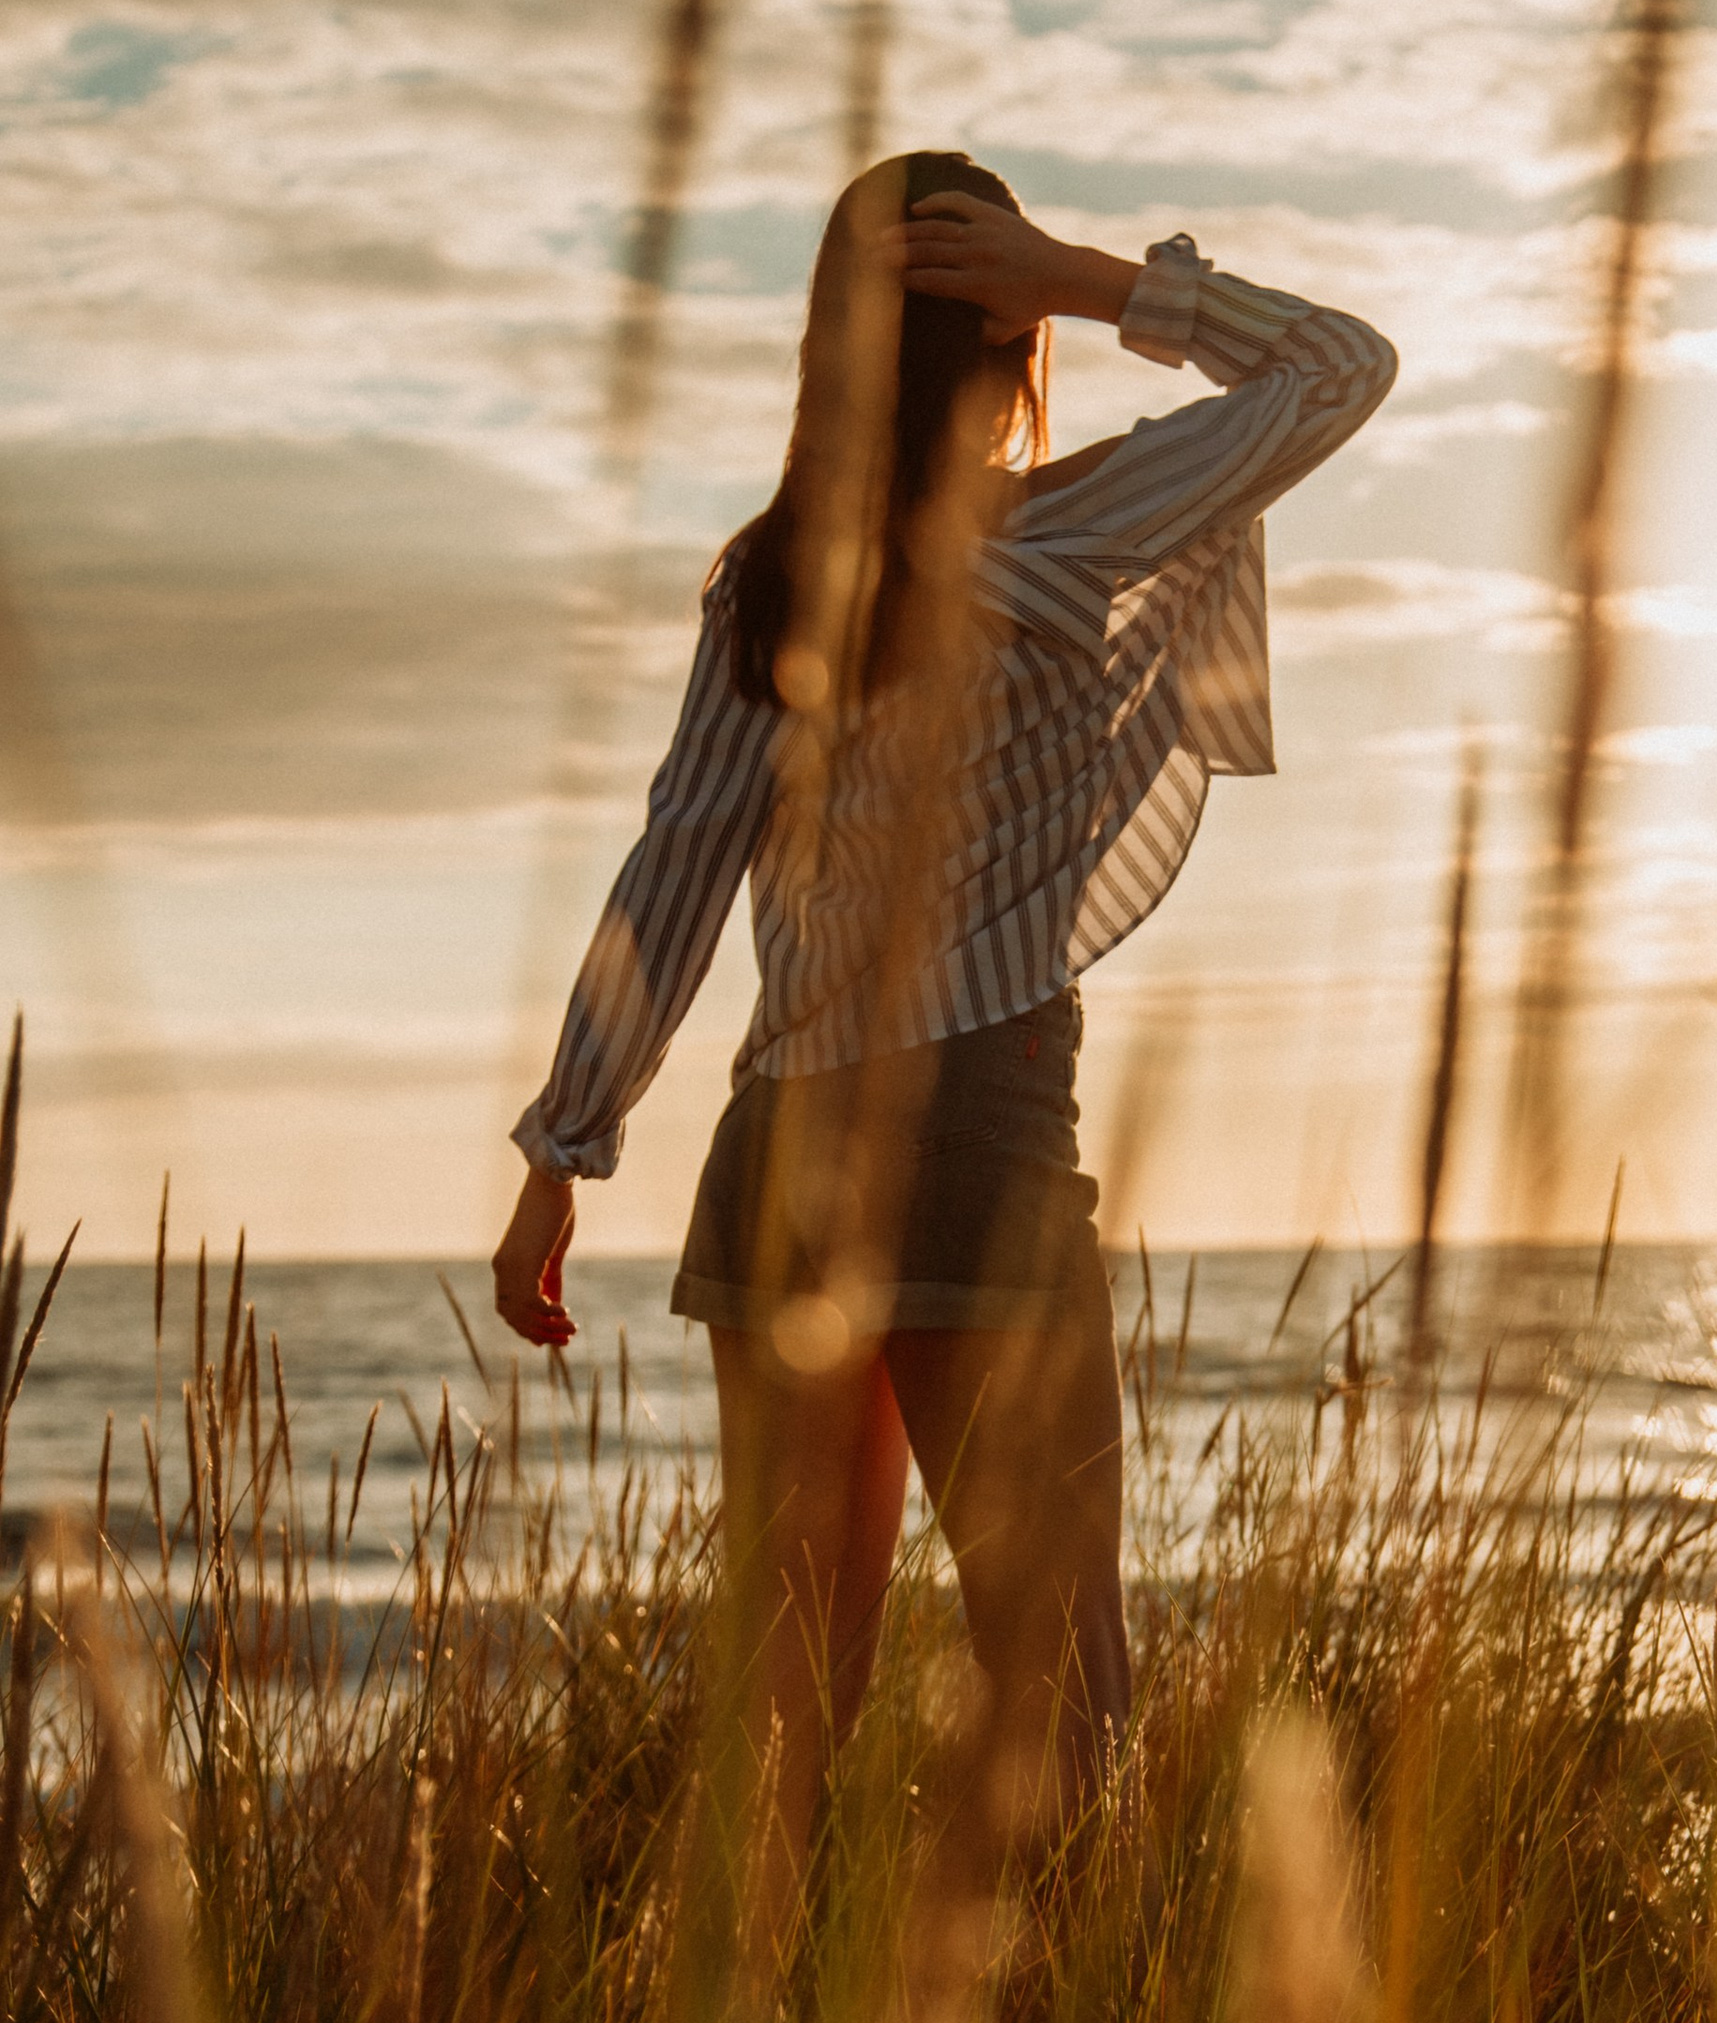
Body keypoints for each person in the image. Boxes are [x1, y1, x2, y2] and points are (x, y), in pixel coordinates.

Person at [491, 150, 1395, 1923]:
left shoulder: (772, 580)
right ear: (1007, 338)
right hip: (978, 1137)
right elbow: (1339, 368)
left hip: (782, 1155)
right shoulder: (1076, 526)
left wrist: (560, 1155)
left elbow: (673, 870)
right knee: (1061, 1682)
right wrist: (1095, 275)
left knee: (788, 1703)